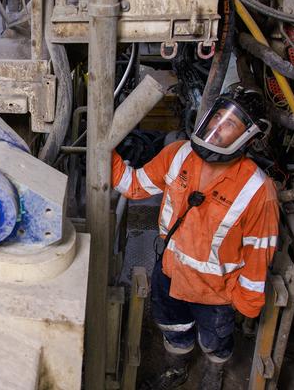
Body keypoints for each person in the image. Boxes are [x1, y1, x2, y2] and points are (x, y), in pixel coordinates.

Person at [112, 86, 279, 390]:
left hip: (216, 293)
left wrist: (248, 303)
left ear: (249, 138)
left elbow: (259, 250)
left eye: (230, 124)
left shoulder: (258, 189)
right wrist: (103, 150)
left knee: (215, 339)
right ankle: (177, 367)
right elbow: (134, 186)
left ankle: (214, 371)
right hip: (170, 274)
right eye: (217, 117)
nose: (217, 128)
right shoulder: (178, 154)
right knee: (172, 326)